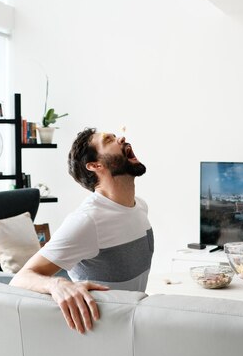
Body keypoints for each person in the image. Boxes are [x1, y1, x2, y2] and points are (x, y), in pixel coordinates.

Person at [10, 128, 153, 334]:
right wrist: (57, 284)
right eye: (109, 140)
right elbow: (20, 279)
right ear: (95, 165)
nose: (121, 138)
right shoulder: (87, 220)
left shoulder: (140, 206)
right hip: (100, 335)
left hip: (133, 327)